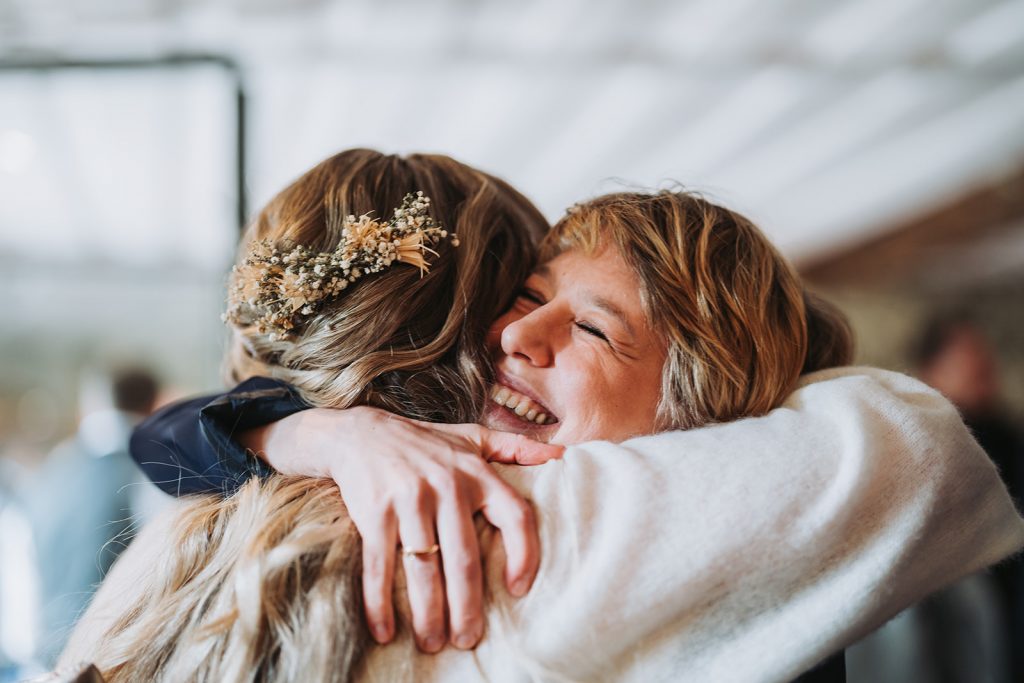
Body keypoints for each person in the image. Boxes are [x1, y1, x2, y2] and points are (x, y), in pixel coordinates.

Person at [64, 154, 1024, 682]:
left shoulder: (617, 521)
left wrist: (296, 431)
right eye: (524, 293)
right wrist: (313, 429)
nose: (521, 335)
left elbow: (910, 435)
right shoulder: (358, 488)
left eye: (597, 331)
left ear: (706, 425)